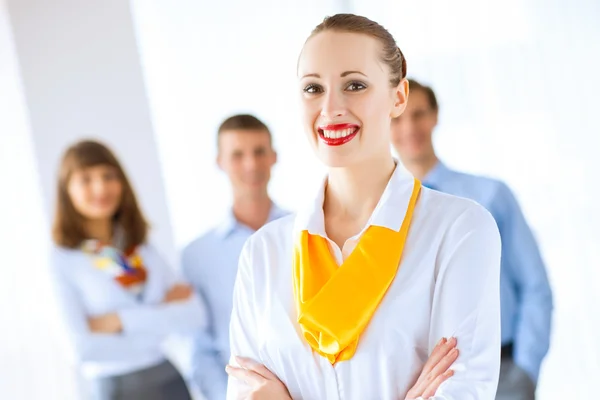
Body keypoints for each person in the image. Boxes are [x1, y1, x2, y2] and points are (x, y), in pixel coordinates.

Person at [225, 13, 501, 400]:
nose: (331, 108)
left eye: (354, 85)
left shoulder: (459, 229)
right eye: (313, 88)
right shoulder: (262, 254)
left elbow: (463, 391)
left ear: (398, 96)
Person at [391, 78, 553, 400]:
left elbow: (535, 286)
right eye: (397, 118)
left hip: (503, 373)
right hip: (421, 382)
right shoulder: (381, 216)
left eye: (419, 114)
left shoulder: (490, 195)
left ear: (435, 116)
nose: (409, 127)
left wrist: (524, 371)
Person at [49, 139, 206, 400]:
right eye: (86, 179)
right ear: (67, 190)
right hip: (116, 389)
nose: (100, 187)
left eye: (108, 176)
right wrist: (161, 315)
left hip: (169, 382)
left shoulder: (140, 250)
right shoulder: (64, 259)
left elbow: (195, 316)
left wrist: (120, 321)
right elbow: (81, 349)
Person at [181, 114, 289, 400]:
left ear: (274, 157)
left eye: (259, 152)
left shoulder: (307, 231)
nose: (251, 164)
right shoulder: (196, 256)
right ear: (220, 162)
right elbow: (200, 348)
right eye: (238, 155)